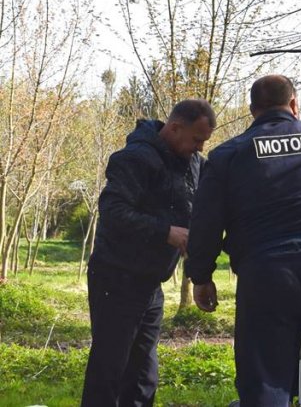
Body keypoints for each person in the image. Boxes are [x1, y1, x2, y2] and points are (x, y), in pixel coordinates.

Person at [185, 74, 301, 407]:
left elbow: (205, 224)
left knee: (265, 376)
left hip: (264, 273)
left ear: (252, 110)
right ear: (294, 104)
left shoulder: (227, 155)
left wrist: (201, 276)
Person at [80, 99, 216, 407]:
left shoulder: (194, 165)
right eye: (196, 140)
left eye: (204, 142)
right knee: (110, 369)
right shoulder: (134, 159)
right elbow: (113, 211)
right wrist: (165, 232)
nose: (199, 147)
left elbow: (205, 210)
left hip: (150, 284)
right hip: (115, 278)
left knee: (143, 375)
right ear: (174, 127)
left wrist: (200, 275)